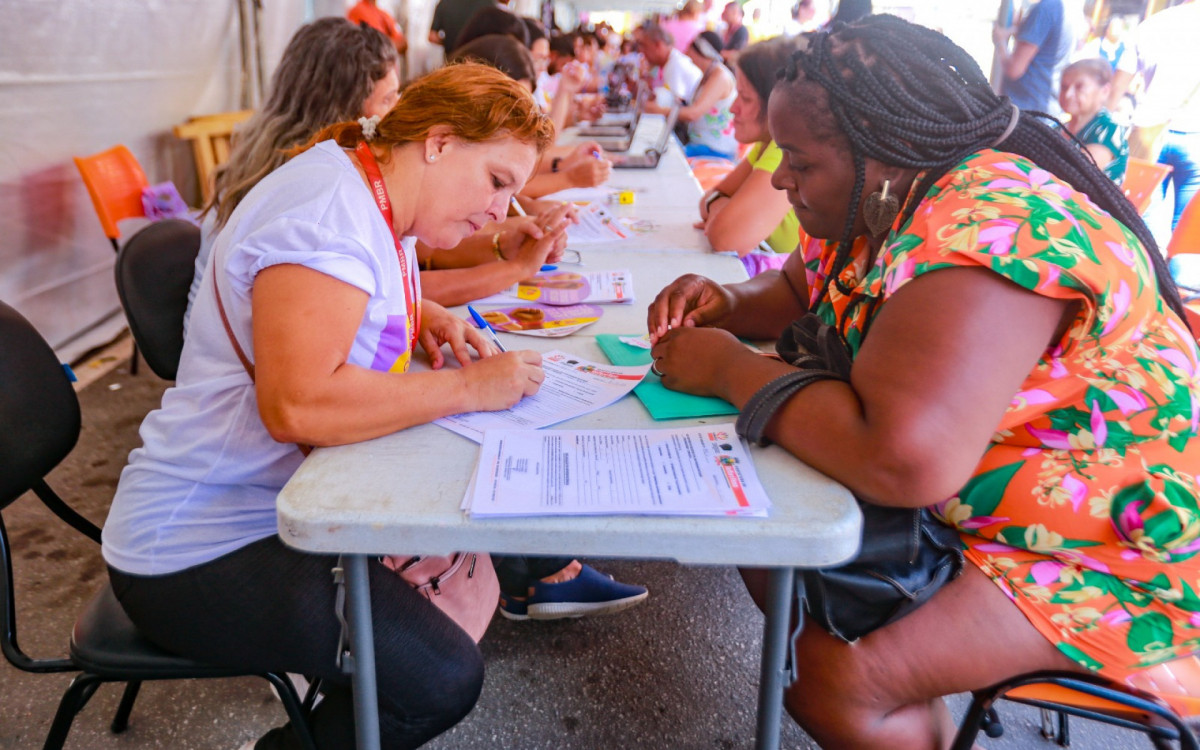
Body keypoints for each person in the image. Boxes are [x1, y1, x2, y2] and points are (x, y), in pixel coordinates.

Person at [648, 15, 1200, 747]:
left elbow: (903, 458)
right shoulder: (881, 198)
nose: (781, 178)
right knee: (766, 540)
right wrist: (730, 303)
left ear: (884, 153)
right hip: (993, 508)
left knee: (843, 679)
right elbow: (802, 288)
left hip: (1117, 554)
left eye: (800, 162)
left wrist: (728, 368)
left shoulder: (989, 231)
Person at [103, 62, 556, 750]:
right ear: (438, 142)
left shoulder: (363, 184)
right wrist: (471, 386)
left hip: (268, 505)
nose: (500, 212)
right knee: (438, 679)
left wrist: (421, 311)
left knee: (440, 626)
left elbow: (336, 300)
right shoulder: (327, 219)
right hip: (200, 544)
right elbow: (299, 406)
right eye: (498, 183)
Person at [184, 18, 401, 334]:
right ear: (346, 108)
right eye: (388, 99)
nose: (397, 110)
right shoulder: (311, 186)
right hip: (248, 364)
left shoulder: (264, 157)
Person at [694, 37, 805, 272]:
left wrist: (722, 212)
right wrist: (721, 207)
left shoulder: (787, 151)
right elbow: (708, 199)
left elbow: (725, 239)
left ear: (777, 103)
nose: (733, 107)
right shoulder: (766, 144)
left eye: (744, 97)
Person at [994, 0, 1081, 114]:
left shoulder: (1046, 8)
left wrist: (1000, 41)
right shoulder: (1071, 9)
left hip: (1024, 109)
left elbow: (1014, 69)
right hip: (1046, 106)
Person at [1059, 57, 1128, 183]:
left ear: (1104, 91)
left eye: (1079, 87)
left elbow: (1074, 176)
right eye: (1064, 87)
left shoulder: (1108, 130)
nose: (1068, 94)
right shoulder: (1058, 127)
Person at [678, 31, 738, 160]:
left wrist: (659, 110)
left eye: (690, 46)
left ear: (701, 51)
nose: (686, 51)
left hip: (714, 149)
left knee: (671, 158)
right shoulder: (710, 74)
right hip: (703, 145)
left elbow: (693, 113)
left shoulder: (720, 76)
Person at [639, 23, 703, 111]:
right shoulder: (671, 62)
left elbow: (675, 104)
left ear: (659, 45)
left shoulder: (675, 64)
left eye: (645, 47)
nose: (643, 52)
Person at [429, 0, 496, 53]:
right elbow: (495, 35)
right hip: (479, 61)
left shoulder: (445, 2)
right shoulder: (488, 3)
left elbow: (432, 36)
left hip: (452, 60)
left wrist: (448, 42)